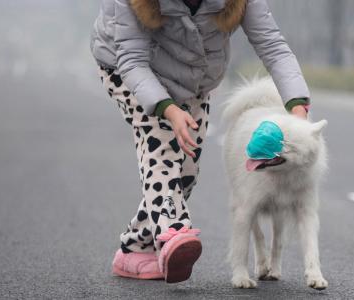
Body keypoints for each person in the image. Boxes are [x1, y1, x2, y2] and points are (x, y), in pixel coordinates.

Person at [90, 0, 310, 283]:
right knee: (162, 143)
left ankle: (136, 246)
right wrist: (167, 109)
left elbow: (274, 48)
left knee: (185, 172)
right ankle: (174, 230)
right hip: (125, 67)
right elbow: (131, 60)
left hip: (193, 77)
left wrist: (297, 107)